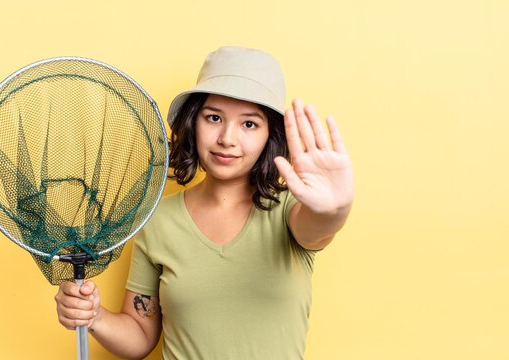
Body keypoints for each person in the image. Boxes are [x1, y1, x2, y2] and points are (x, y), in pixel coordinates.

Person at [55, 46, 354, 359]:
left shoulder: (291, 211)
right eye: (214, 118)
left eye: (249, 124)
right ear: (192, 122)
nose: (227, 138)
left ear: (271, 135)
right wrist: (93, 315)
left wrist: (336, 208)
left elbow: (319, 226)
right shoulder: (157, 221)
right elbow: (141, 335)